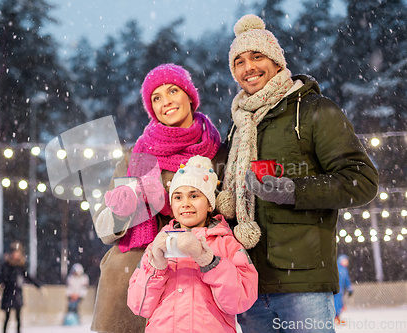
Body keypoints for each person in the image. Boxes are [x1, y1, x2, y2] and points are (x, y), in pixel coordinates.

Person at [216, 14, 378, 332]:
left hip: (302, 281)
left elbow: (362, 180)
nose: (248, 67)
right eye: (239, 61)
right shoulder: (238, 126)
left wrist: (293, 190)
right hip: (249, 283)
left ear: (277, 62)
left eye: (257, 56)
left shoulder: (315, 110)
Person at [91, 64, 229, 333]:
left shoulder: (218, 155)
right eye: (156, 97)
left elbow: (231, 214)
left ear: (190, 95)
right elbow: (104, 228)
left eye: (173, 90)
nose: (165, 101)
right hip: (133, 278)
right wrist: (130, 205)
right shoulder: (137, 156)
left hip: (194, 280)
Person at [127, 155, 258, 332]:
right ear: (172, 206)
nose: (185, 204)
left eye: (194, 195)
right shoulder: (158, 244)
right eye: (178, 198)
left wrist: (209, 261)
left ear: (210, 204)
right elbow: (139, 306)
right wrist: (156, 266)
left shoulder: (227, 244)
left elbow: (240, 301)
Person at [0, 241, 42, 333]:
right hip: (8, 294)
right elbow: (0, 280)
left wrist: (39, 286)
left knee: (18, 318)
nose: (16, 254)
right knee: (7, 317)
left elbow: (28, 277)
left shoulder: (21, 266)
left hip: (17, 294)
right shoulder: (6, 266)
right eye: (15, 252)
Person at [334, 254, 353, 325]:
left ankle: (337, 317)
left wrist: (350, 288)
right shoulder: (337, 268)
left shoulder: (344, 269)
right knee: (336, 303)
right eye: (345, 261)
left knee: (340, 304)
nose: (347, 262)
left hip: (341, 290)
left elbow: (347, 280)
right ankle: (334, 317)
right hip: (336, 289)